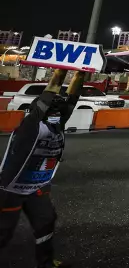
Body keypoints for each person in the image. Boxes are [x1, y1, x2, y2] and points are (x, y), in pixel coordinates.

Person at [0, 69, 84, 268]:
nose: (58, 110)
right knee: (3, 233)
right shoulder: (31, 125)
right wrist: (61, 70)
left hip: (37, 188)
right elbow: (50, 91)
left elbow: (72, 98)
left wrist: (81, 74)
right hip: (10, 189)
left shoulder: (58, 125)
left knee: (46, 222)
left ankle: (45, 264)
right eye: (53, 107)